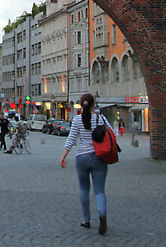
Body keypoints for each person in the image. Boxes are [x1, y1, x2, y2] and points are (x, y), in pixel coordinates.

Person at [60, 93, 112, 235]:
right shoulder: (101, 118)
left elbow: (71, 139)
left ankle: (86, 220)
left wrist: (64, 156)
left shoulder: (77, 120)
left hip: (82, 157)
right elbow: (114, 134)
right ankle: (102, 214)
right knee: (99, 190)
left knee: (84, 189)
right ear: (93, 104)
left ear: (82, 104)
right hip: (99, 157)